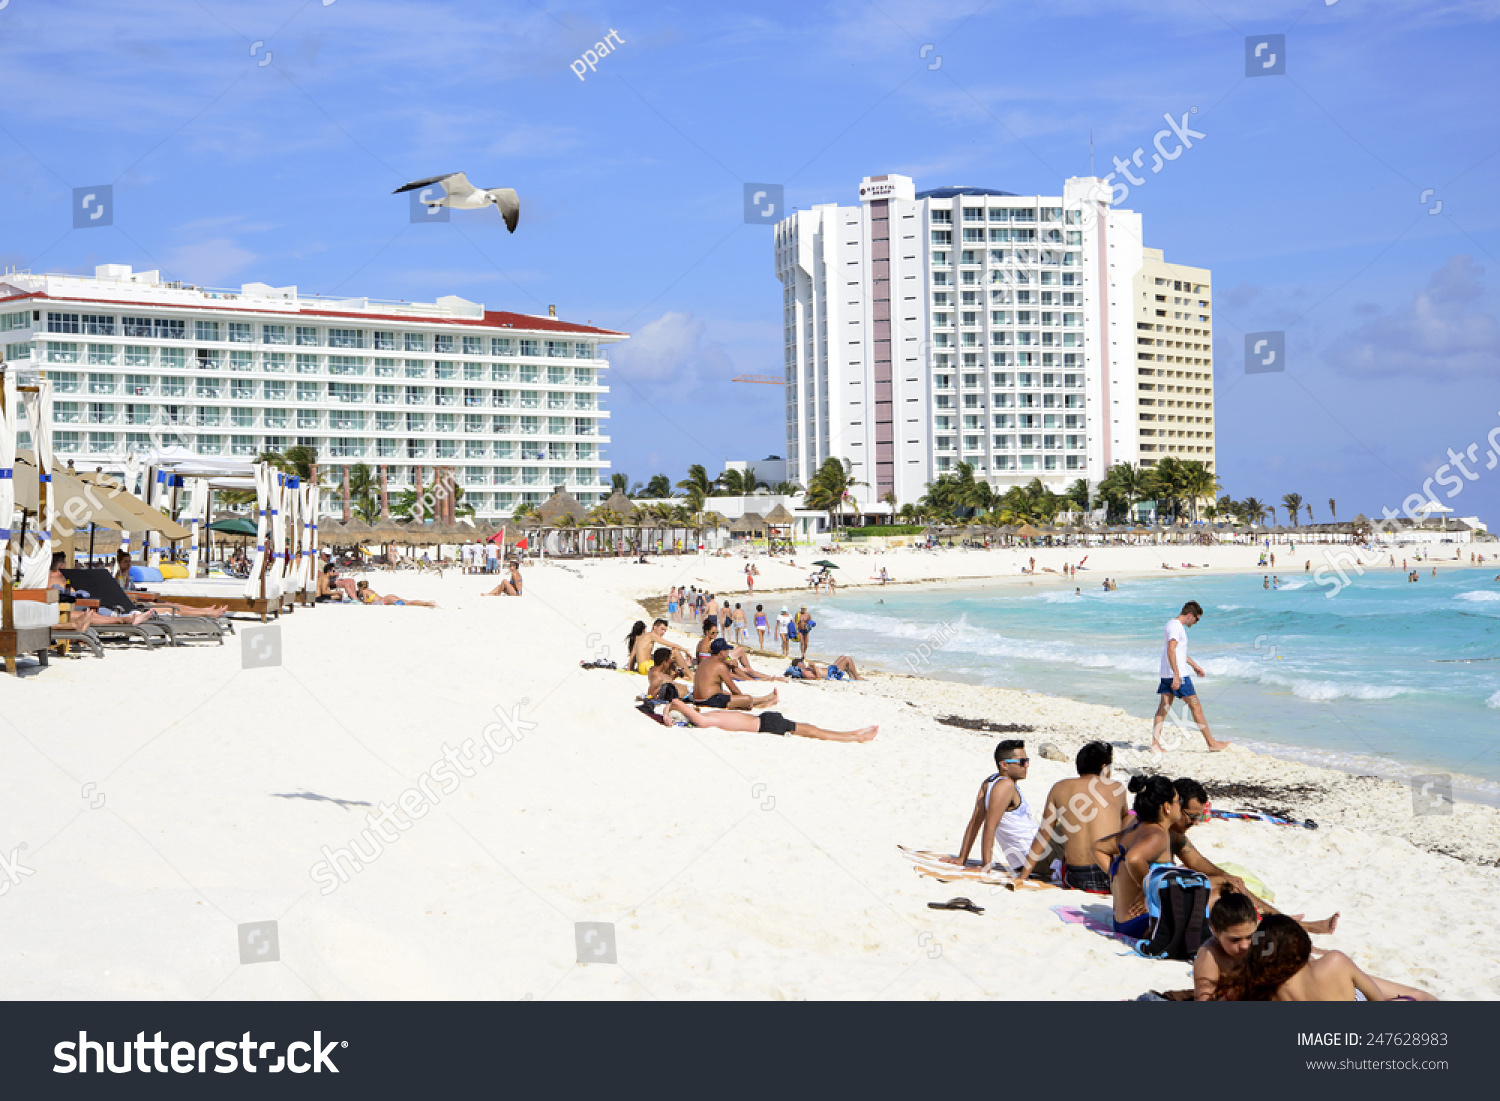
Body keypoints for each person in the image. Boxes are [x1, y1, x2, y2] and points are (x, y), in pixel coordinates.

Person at [1014, 741, 1127, 893]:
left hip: (1077, 877)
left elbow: (1044, 834)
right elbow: (1126, 825)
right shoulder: (1117, 788)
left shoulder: (1060, 787)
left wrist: (1023, 876)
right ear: (1103, 767)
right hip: (1111, 876)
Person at [1094, 775, 1182, 939]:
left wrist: (1116, 876)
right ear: (1166, 807)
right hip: (1144, 923)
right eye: (1178, 800)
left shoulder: (1133, 832)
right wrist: (1145, 889)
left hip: (1123, 922)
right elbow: (1134, 858)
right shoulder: (1158, 835)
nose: (1180, 805)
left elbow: (1098, 847)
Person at [942, 739, 1041, 877]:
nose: (1027, 766)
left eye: (1027, 761)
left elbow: (975, 821)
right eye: (1022, 762)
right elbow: (990, 825)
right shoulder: (1005, 786)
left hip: (1033, 855)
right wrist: (986, 866)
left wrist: (962, 858)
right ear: (1004, 765)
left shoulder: (990, 782)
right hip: (1036, 857)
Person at [645, 687, 876, 742]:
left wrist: (668, 710)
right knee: (812, 729)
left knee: (813, 731)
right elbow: (679, 705)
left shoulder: (707, 720)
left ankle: (855, 736)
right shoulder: (708, 714)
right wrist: (668, 710)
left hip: (767, 724)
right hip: (765, 720)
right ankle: (854, 734)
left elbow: (681, 706)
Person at [1151, 600, 1230, 753]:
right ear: (1190, 615)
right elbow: (1171, 651)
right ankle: (1212, 743)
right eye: (1197, 619)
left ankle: (1155, 745)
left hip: (1168, 673)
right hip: (1178, 676)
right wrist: (1177, 676)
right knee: (1196, 706)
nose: (1196, 622)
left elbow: (1179, 653)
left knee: (1164, 708)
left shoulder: (1171, 624)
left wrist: (1194, 666)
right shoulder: (1176, 627)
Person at [691, 638, 777, 710]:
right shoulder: (720, 666)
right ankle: (764, 700)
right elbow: (734, 689)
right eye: (726, 650)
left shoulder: (704, 662)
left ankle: (763, 702)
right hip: (709, 702)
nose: (728, 653)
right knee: (747, 698)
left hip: (697, 700)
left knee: (727, 694)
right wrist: (744, 702)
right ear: (721, 652)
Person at [354, 580, 435, 607]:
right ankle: (426, 602)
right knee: (408, 601)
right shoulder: (369, 590)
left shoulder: (364, 591)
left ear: (360, 587)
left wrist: (358, 599)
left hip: (386, 600)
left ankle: (427, 603)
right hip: (387, 597)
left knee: (408, 603)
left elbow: (365, 602)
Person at [786, 655, 863, 681]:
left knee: (842, 657)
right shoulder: (805, 672)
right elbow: (817, 678)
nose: (803, 662)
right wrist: (814, 667)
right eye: (801, 661)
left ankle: (852, 676)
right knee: (847, 659)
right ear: (798, 665)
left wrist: (813, 667)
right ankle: (857, 676)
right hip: (832, 674)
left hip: (830, 670)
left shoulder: (806, 669)